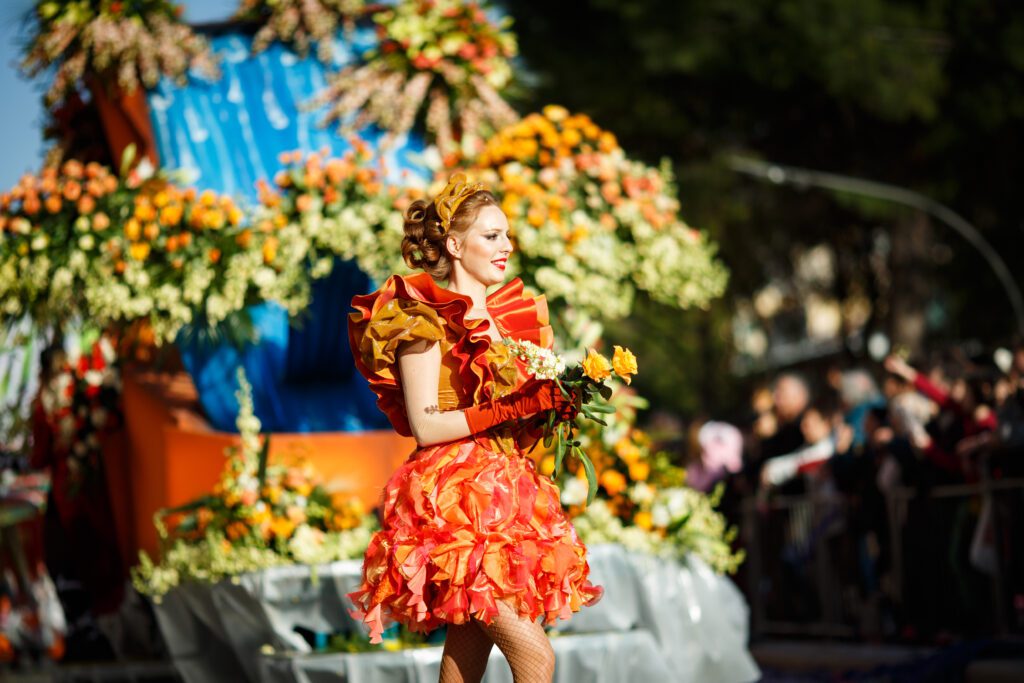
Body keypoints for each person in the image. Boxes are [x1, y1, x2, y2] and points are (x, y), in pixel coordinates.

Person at [346, 174, 602, 683]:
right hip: (455, 508)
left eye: (507, 235)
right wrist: (511, 408)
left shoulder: (509, 322)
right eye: (492, 236)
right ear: (455, 245)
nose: (507, 246)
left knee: (462, 669)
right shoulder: (422, 320)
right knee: (536, 658)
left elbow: (509, 424)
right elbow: (424, 426)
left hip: (508, 502)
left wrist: (549, 409)